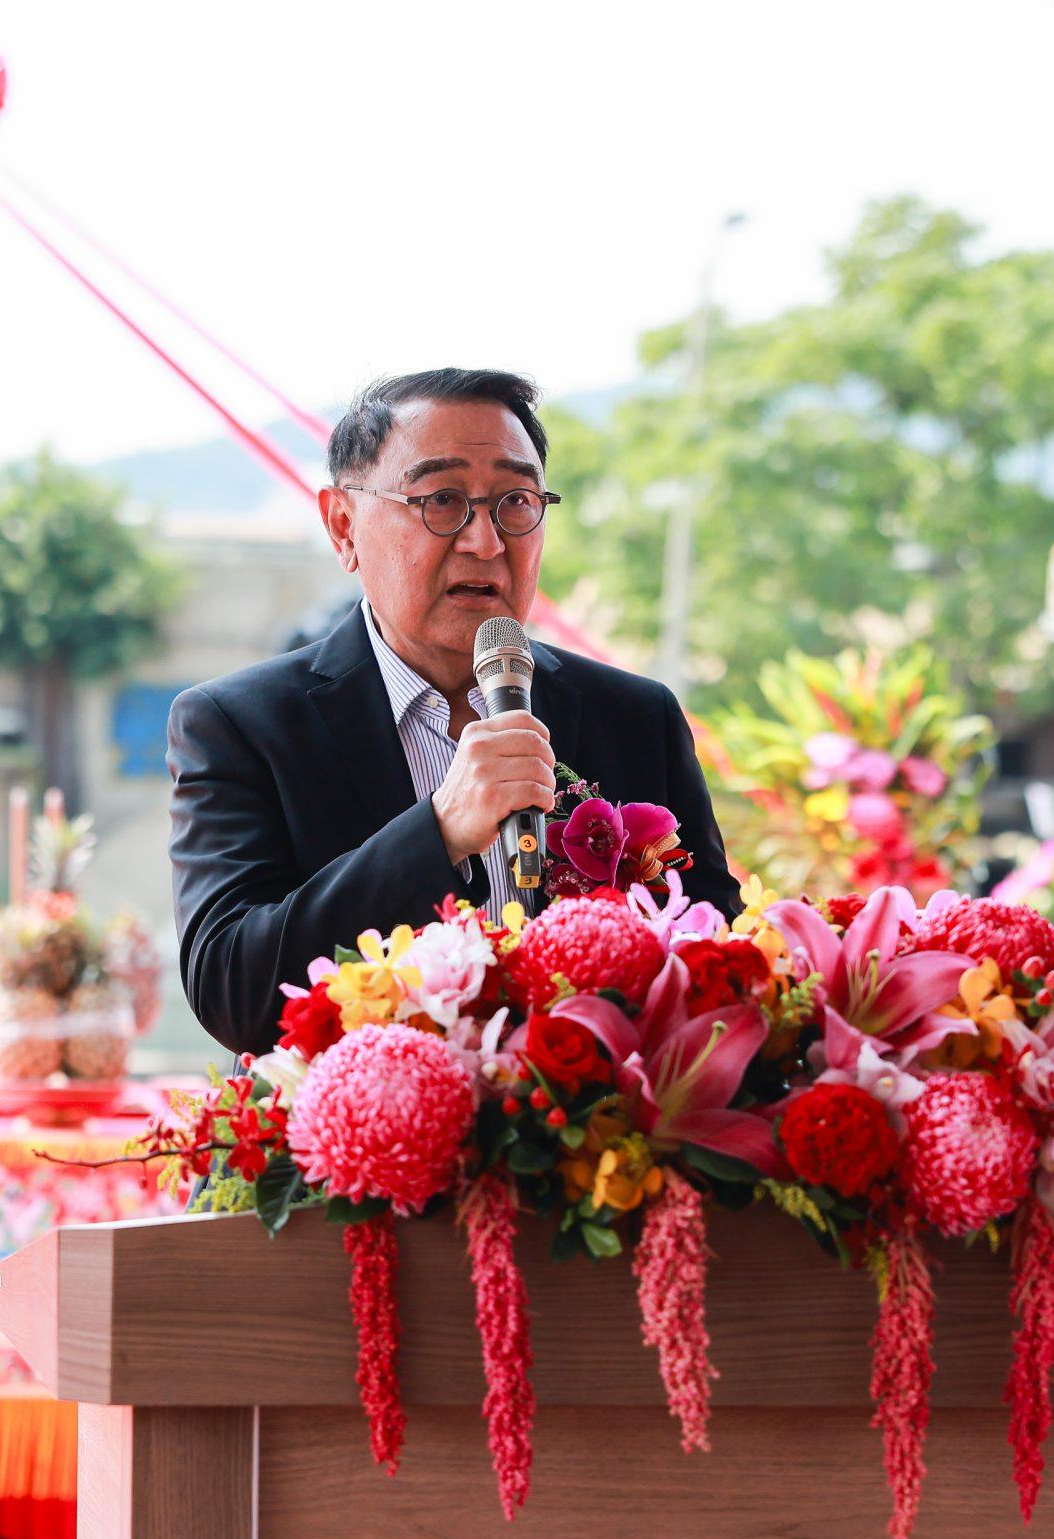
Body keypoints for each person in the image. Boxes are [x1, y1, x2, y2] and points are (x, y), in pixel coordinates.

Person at [167, 367, 740, 1057]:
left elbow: (717, 964)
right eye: (441, 499)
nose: (486, 541)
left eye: (516, 501)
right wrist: (437, 831)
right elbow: (234, 990)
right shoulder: (239, 726)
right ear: (343, 525)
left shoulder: (634, 718)